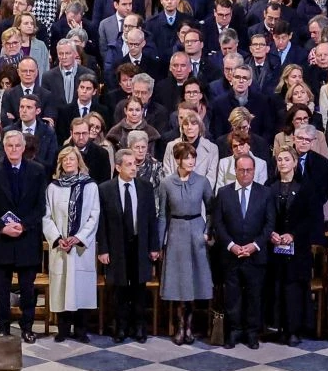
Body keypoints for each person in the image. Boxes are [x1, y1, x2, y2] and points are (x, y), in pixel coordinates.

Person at [0, 128, 48, 341]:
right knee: (1, 290)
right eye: (9, 146)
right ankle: (3, 327)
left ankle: (27, 327)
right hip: (1, 240)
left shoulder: (37, 171)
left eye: (17, 146)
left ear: (23, 148)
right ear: (4, 148)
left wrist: (23, 225)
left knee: (28, 290)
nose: (13, 149)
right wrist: (3, 227)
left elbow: (40, 207)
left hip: (27, 240)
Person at [96, 146, 159, 343]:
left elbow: (152, 219)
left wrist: (154, 246)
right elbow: (102, 222)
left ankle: (139, 327)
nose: (134, 168)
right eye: (129, 164)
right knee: (119, 288)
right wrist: (103, 249)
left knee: (139, 287)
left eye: (135, 165)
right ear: (118, 167)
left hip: (139, 244)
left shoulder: (145, 187)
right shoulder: (105, 189)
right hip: (117, 246)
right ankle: (120, 327)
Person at [210, 152, 271, 348]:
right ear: (235, 171)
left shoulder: (265, 193)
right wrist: (232, 246)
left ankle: (252, 333)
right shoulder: (224, 193)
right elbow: (218, 224)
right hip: (231, 255)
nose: (245, 174)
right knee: (232, 296)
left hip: (256, 255)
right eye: (242, 170)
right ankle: (234, 331)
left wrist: (254, 246)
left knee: (254, 295)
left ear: (254, 171)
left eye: (249, 170)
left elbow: (269, 224)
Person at [156, 139, 213, 344]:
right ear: (177, 160)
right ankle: (180, 326)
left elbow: (212, 210)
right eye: (187, 158)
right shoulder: (166, 183)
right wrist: (160, 243)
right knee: (180, 282)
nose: (191, 162)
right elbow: (163, 215)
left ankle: (190, 326)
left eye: (193, 158)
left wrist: (207, 232)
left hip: (196, 230)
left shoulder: (202, 181)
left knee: (194, 281)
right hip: (176, 232)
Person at [42, 146, 99, 341]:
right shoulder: (53, 187)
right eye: (64, 159)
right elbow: (46, 216)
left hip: (81, 247)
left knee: (81, 288)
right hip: (61, 247)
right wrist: (58, 238)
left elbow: (94, 216)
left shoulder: (90, 186)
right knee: (62, 287)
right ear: (60, 163)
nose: (68, 162)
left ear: (78, 162)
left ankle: (81, 330)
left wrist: (79, 237)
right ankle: (63, 329)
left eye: (71, 159)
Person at [266, 146, 318, 345]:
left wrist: (293, 234)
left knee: (294, 289)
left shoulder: (305, 187)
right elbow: (264, 214)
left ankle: (295, 329)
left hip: (298, 249)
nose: (283, 163)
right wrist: (271, 233)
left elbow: (311, 218)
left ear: (295, 162)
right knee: (278, 287)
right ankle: (279, 327)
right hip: (275, 247)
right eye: (279, 159)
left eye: (287, 159)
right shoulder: (270, 186)